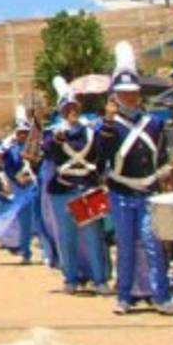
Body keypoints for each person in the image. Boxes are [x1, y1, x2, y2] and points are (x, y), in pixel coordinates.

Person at [95, 42, 173, 317]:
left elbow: (161, 156)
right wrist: (108, 123)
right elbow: (101, 156)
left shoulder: (153, 123)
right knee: (125, 246)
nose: (129, 97)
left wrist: (167, 176)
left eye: (132, 92)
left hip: (148, 191)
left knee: (153, 245)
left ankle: (161, 296)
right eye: (123, 93)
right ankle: (124, 296)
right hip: (121, 192)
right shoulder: (107, 126)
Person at [45, 78, 109, 295]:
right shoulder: (54, 133)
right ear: (61, 111)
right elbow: (47, 154)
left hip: (87, 189)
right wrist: (55, 140)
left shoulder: (90, 131)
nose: (71, 111)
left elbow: (100, 156)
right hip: (62, 190)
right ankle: (70, 279)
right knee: (66, 238)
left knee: (93, 237)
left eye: (74, 107)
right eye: (67, 108)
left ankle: (100, 279)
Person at [0, 109, 39, 263]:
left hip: (34, 187)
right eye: (20, 132)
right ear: (16, 134)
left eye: (25, 132)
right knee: (24, 223)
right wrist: (17, 181)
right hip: (20, 190)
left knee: (40, 221)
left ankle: (47, 253)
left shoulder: (35, 148)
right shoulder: (10, 152)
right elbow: (8, 169)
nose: (23, 135)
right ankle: (26, 253)